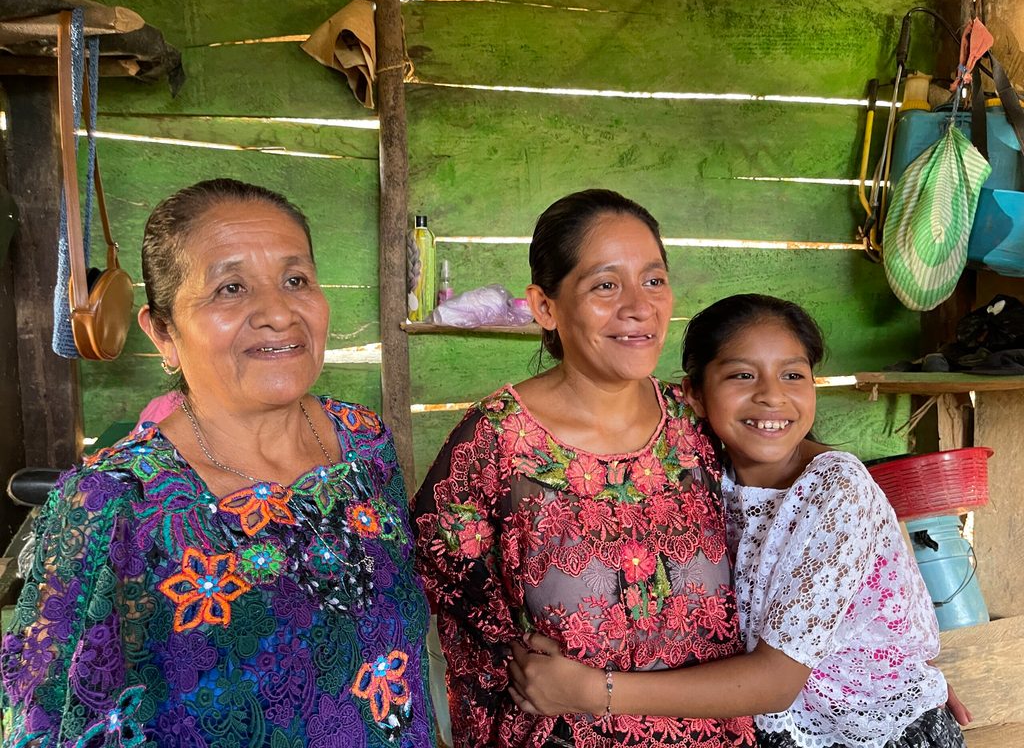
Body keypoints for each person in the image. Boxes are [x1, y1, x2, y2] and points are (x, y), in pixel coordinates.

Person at [1, 179, 436, 747]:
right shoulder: (113, 503)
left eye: (296, 280)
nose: (278, 313)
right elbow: (46, 722)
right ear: (163, 333)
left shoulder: (363, 443)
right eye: (230, 288)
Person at [507, 294, 968, 748]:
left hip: (873, 736)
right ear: (695, 395)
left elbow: (775, 682)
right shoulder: (699, 472)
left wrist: (592, 691)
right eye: (742, 375)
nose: (771, 395)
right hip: (769, 730)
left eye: (793, 374)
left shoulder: (835, 488)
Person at [413, 190, 755, 747]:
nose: (639, 307)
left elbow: (797, 546)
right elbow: (442, 576)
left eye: (653, 280)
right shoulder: (497, 442)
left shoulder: (702, 426)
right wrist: (510, 649)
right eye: (604, 285)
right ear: (545, 307)